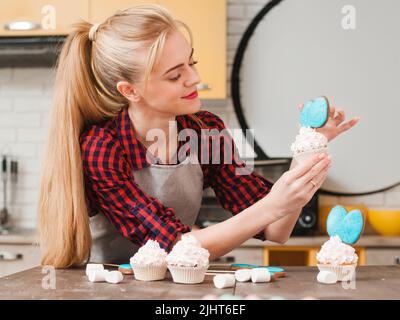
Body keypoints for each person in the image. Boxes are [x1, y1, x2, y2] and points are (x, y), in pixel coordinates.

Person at [37, 4, 359, 268]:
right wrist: (273, 204)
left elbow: (275, 228)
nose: (196, 78)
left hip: (176, 289)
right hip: (109, 291)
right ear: (129, 90)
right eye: (176, 75)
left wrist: (309, 145)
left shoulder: (206, 131)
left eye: (192, 62)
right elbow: (178, 246)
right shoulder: (102, 148)